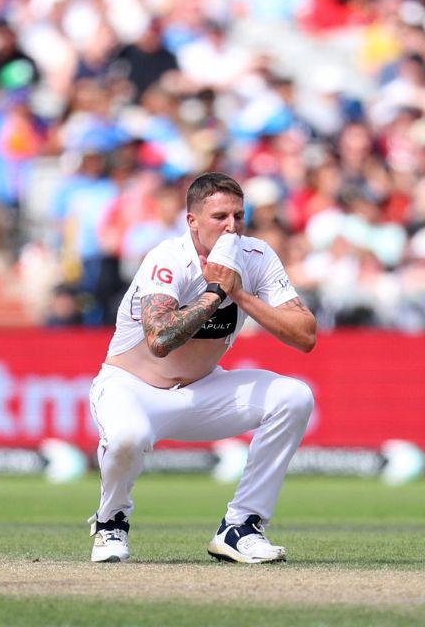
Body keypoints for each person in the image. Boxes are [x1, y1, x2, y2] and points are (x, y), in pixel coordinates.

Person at [88, 172, 317, 564]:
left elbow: (305, 335)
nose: (232, 226)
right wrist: (215, 294)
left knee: (294, 396)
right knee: (128, 436)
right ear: (192, 220)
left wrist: (239, 292)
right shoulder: (167, 258)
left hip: (202, 390)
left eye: (239, 216)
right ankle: (111, 520)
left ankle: (240, 526)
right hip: (132, 388)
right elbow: (159, 340)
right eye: (220, 216)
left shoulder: (256, 256)